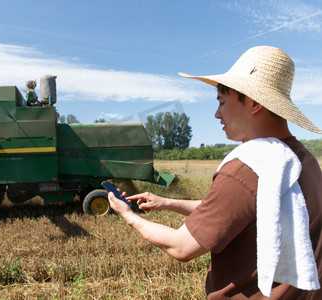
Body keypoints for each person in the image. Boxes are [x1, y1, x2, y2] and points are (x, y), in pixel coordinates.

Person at [108, 46, 322, 299]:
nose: (217, 114)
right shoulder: (303, 159)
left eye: (222, 102)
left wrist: (128, 216)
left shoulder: (249, 167)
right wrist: (167, 202)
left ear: (253, 103)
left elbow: (181, 247)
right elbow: (238, 209)